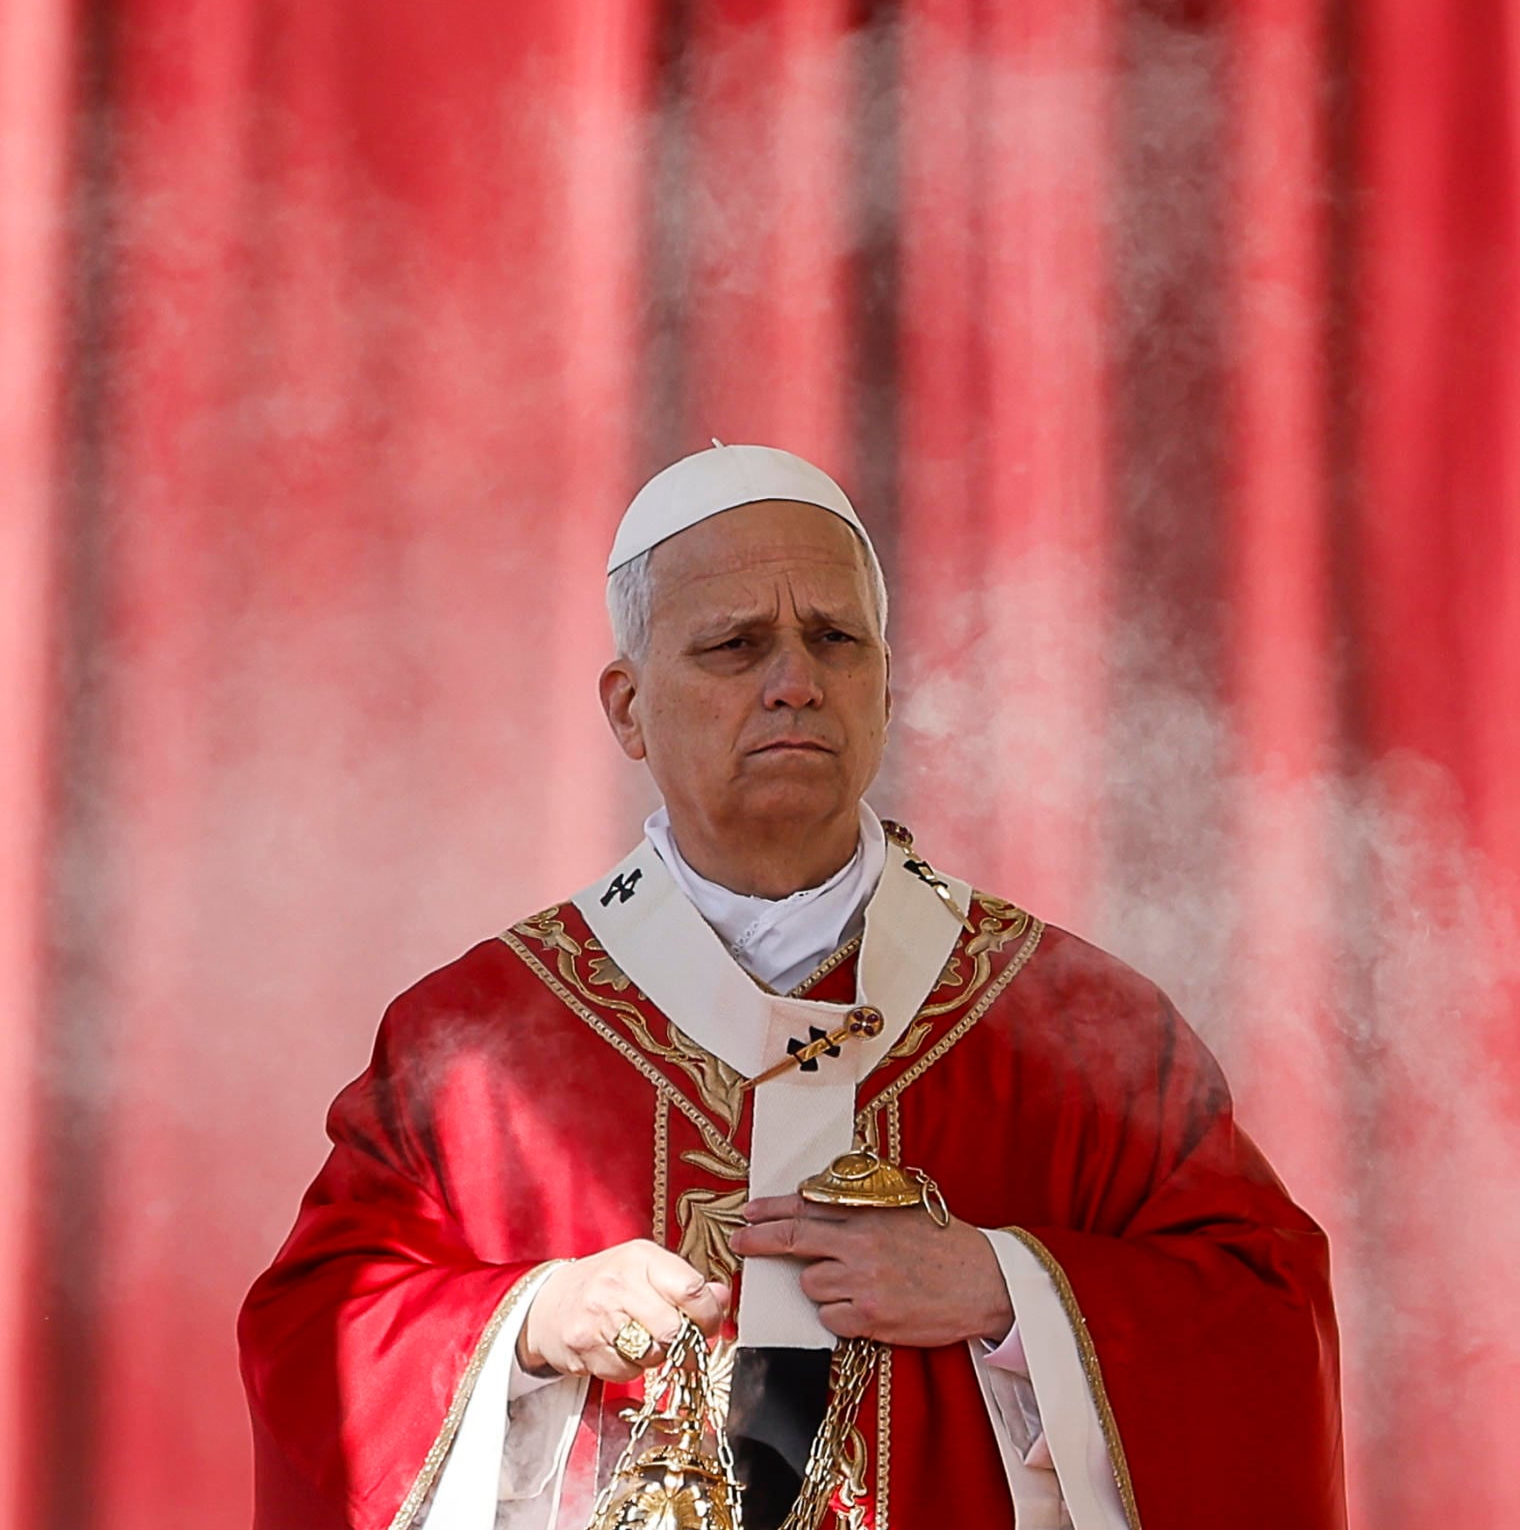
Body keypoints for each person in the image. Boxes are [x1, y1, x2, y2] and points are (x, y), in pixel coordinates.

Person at [239, 446, 1343, 1529]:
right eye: (735, 645)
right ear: (627, 708)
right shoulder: (477, 1044)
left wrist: (1009, 1288)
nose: (796, 682)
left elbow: (1262, 1317)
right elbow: (317, 1337)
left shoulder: (1080, 1030)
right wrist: (533, 1321)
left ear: (886, 688)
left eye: (834, 639)